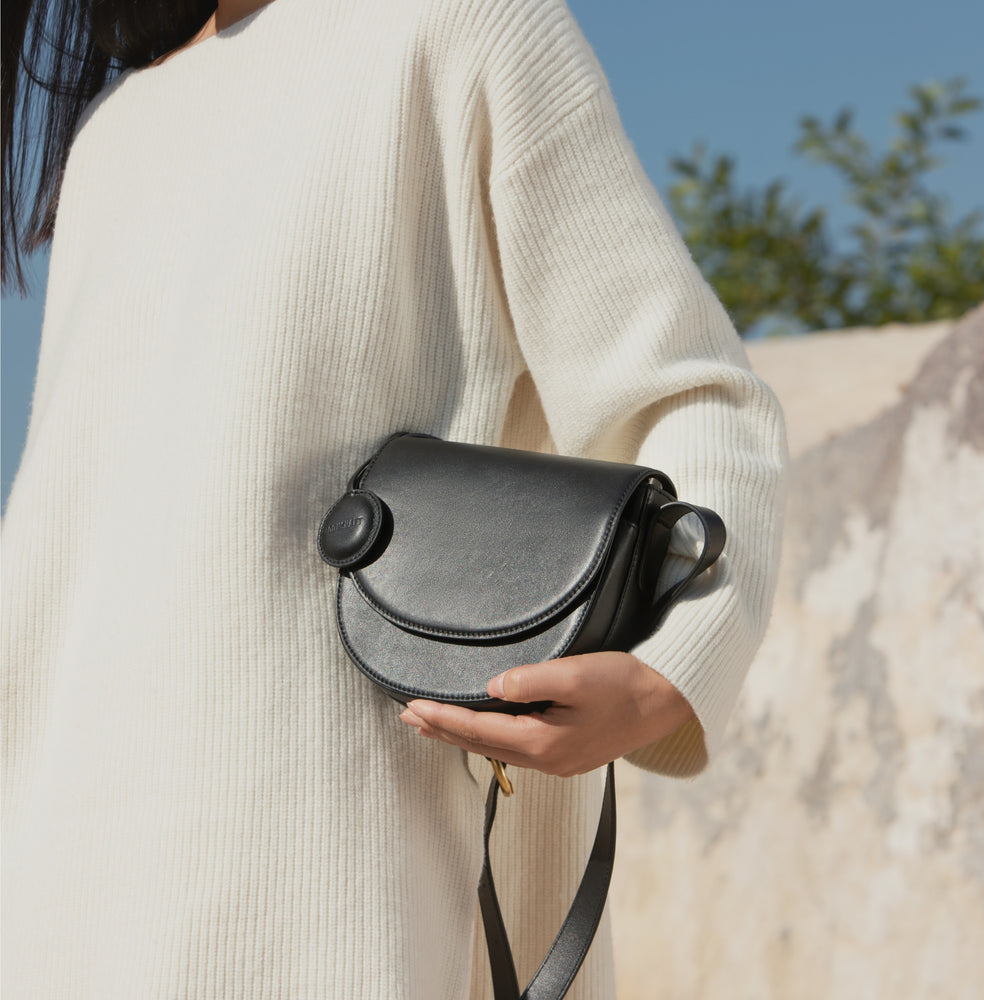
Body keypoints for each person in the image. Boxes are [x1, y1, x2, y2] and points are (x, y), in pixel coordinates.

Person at [1, 0, 787, 996]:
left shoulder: (461, 28)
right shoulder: (113, 135)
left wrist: (672, 668)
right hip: (54, 883)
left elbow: (693, 399)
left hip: (341, 878)